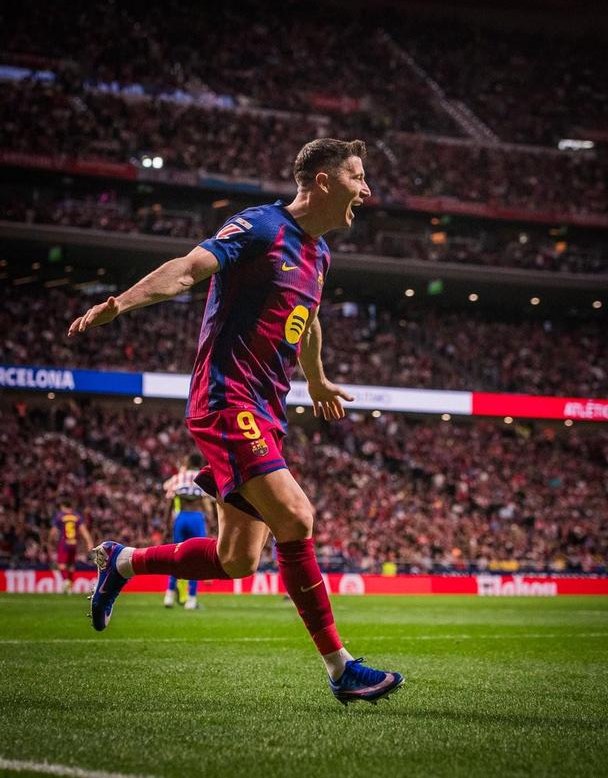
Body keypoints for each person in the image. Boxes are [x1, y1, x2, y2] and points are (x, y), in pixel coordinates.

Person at [68, 138, 404, 705]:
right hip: (228, 400)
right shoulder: (261, 226)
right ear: (324, 181)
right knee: (296, 516)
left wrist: (318, 379)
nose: (367, 190)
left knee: (237, 560)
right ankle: (341, 668)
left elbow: (308, 318)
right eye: (358, 177)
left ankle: (121, 562)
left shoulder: (319, 254)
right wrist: (121, 303)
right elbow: (188, 269)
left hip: (267, 412)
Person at [162, 452, 214, 610]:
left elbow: (169, 500)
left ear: (189, 462)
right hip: (197, 518)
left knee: (176, 556)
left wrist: (166, 526)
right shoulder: (203, 477)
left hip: (181, 518)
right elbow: (207, 503)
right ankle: (191, 599)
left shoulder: (177, 478)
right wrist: (211, 520)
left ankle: (169, 595)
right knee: (196, 559)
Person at [49, 502, 94, 594]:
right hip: (73, 543)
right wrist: (89, 542)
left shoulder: (60, 516)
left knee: (61, 565)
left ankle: (66, 581)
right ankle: (69, 586)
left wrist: (50, 541)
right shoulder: (77, 516)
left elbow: (53, 532)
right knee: (71, 566)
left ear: (63, 506)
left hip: (63, 542)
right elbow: (83, 531)